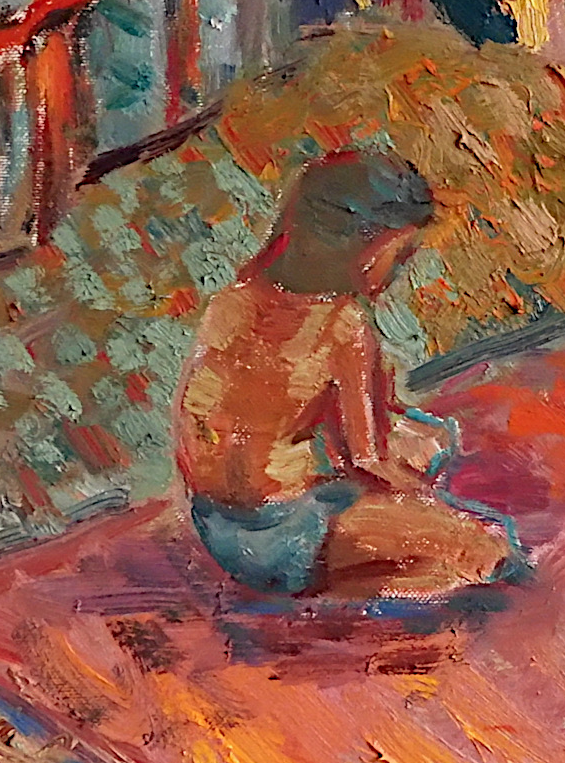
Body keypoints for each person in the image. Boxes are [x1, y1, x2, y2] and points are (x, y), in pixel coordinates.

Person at [175, 149, 513, 603]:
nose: (398, 270)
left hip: (216, 530)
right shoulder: (343, 326)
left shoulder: (230, 303)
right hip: (291, 537)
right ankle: (388, 577)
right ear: (361, 244)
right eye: (399, 254)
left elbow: (201, 435)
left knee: (415, 449)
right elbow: (367, 460)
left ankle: (367, 572)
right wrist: (426, 505)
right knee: (484, 542)